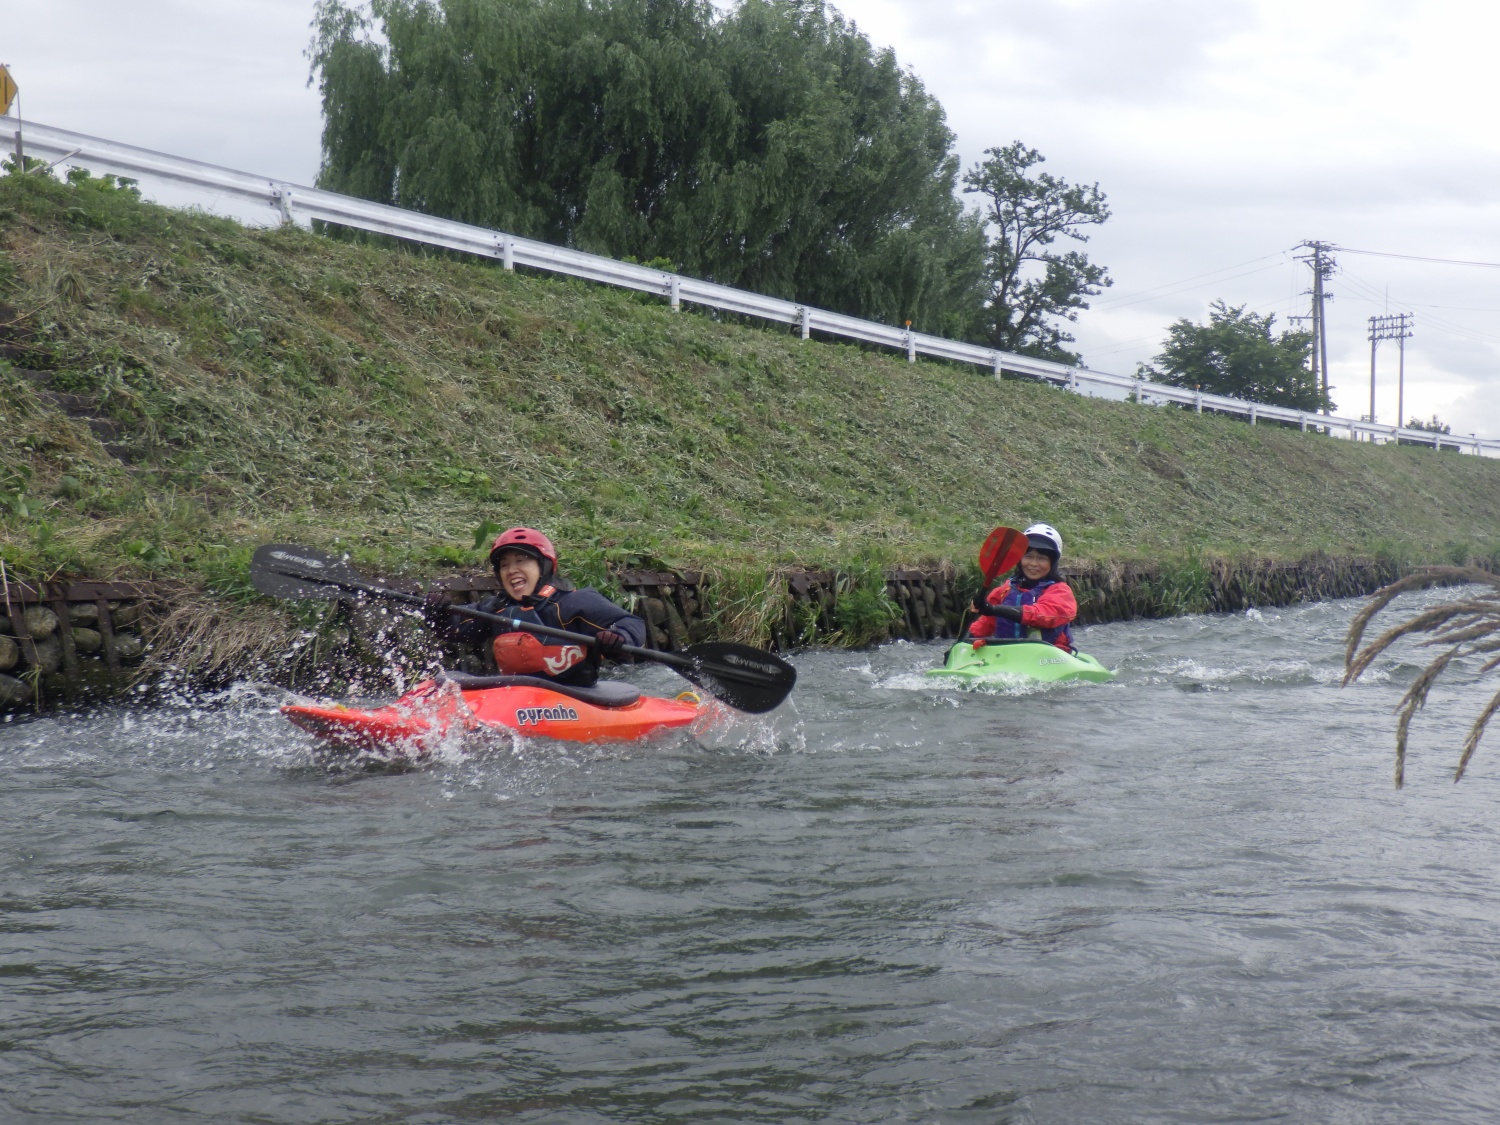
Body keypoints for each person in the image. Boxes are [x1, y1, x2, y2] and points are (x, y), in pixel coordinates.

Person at [425, 527, 646, 687]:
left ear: (544, 566)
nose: (511, 570)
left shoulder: (573, 602)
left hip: (576, 697)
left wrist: (618, 637)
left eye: (521, 561)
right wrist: (438, 614)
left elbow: (631, 622)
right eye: (504, 565)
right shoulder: (496, 608)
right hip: (518, 698)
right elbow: (455, 629)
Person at [967, 522, 1078, 652]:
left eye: (1042, 558)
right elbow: (986, 623)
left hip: (1049, 656)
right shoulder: (1003, 591)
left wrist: (994, 609)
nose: (1033, 563)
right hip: (1007, 654)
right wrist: (964, 641)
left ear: (1052, 562)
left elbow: (1041, 615)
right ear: (1020, 559)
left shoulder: (1061, 592)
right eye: (1028, 556)